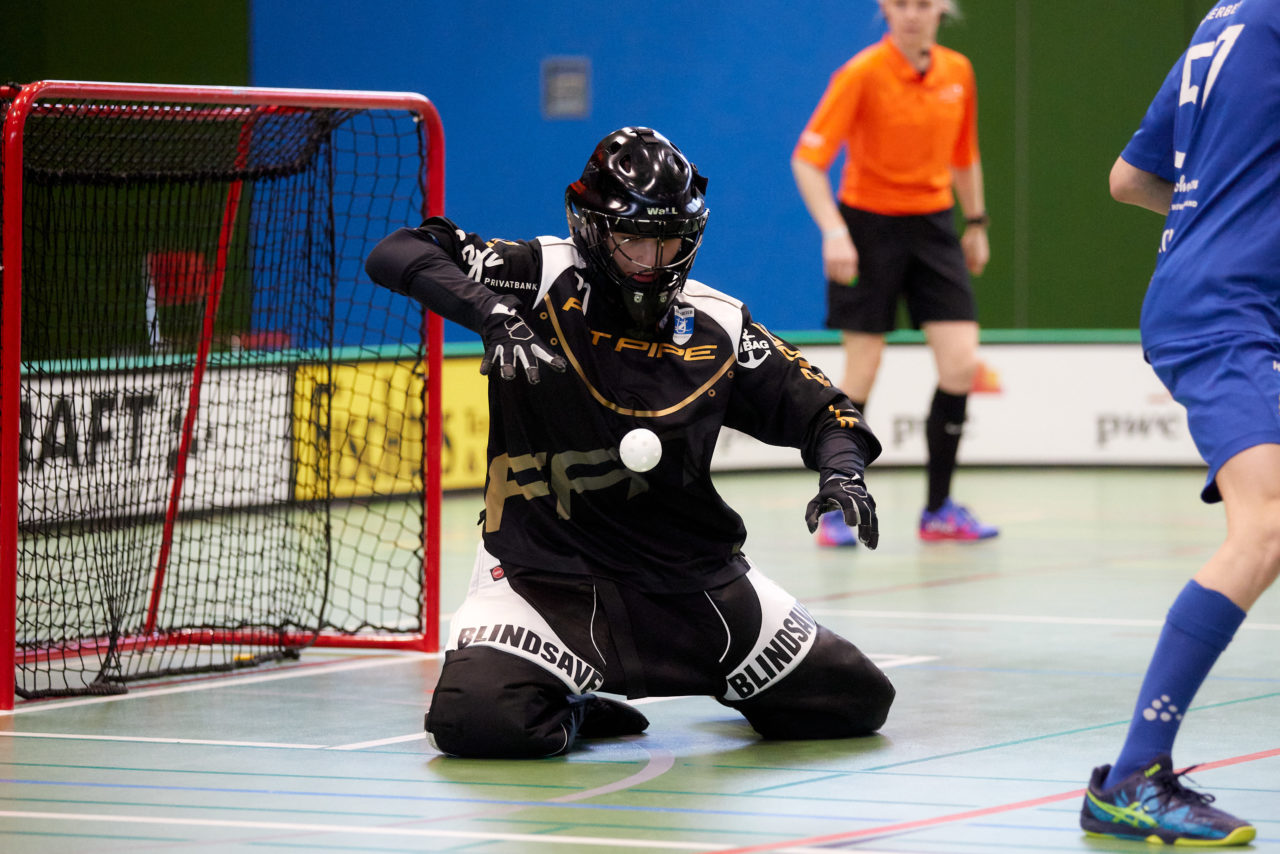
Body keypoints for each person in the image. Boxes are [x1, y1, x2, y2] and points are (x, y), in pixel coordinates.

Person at [365, 126, 896, 758]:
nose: (652, 262)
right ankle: (570, 700)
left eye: (670, 240)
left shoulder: (720, 325)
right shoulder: (533, 278)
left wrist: (842, 472)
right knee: (475, 721)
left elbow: (829, 412)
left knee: (855, 702)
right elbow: (398, 251)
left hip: (694, 581)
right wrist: (492, 314)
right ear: (592, 228)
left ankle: (715, 676)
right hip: (543, 577)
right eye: (633, 240)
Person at [1079, 1, 1280, 846]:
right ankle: (1132, 776)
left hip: (1214, 292)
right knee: (1266, 524)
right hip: (1232, 311)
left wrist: (1218, 227)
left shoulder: (1224, 19)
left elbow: (1131, 178)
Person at [791, 0, 996, 546]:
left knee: (960, 365)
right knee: (862, 371)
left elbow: (964, 152)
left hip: (933, 228)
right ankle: (836, 504)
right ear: (886, 9)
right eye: (901, 4)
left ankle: (938, 510)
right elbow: (808, 160)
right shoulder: (860, 74)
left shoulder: (958, 72)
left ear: (941, 11)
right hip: (868, 227)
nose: (911, 14)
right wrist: (834, 232)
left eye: (923, 5)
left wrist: (975, 221)